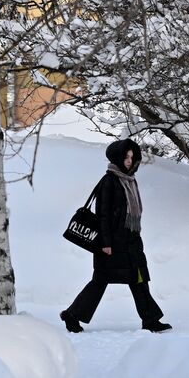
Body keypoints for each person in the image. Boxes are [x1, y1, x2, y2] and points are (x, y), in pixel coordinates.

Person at [61, 138, 172, 333]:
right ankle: (72, 315)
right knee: (100, 281)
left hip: (131, 240)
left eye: (131, 157)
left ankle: (151, 320)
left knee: (139, 279)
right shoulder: (109, 180)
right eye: (125, 157)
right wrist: (105, 242)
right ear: (117, 157)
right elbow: (102, 213)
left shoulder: (130, 181)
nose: (129, 160)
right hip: (112, 242)